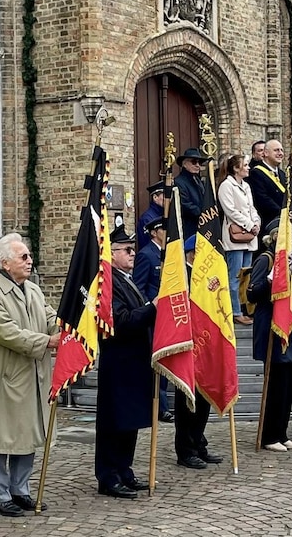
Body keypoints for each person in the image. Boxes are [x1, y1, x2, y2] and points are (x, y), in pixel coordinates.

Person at [0, 233, 59, 517]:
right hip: (5, 377)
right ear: (5, 263)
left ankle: (20, 489)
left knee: (29, 433)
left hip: (32, 375)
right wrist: (48, 342)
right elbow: (7, 332)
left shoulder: (33, 289)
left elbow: (49, 317)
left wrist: (65, 326)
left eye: (29, 256)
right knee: (3, 437)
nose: (29, 261)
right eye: (23, 257)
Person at [95, 225, 156, 499]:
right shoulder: (107, 283)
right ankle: (108, 475)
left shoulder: (126, 278)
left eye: (133, 248)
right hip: (118, 362)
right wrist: (152, 307)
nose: (133, 254)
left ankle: (124, 469)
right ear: (112, 253)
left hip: (136, 360)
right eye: (127, 250)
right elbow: (120, 321)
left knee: (130, 421)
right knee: (114, 421)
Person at [246, 218, 292, 451]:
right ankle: (269, 435)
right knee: (276, 384)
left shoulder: (289, 261)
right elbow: (252, 294)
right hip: (270, 325)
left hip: (287, 326)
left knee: (288, 384)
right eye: (291, 235)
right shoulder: (265, 259)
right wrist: (271, 280)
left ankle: (282, 431)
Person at [174, 233, 223, 469]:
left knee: (203, 400)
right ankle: (185, 449)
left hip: (207, 347)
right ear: (193, 253)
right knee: (187, 403)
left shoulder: (206, 275)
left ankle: (199, 443)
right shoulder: (181, 275)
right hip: (188, 346)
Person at [134, 216, 173, 423]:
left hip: (168, 317)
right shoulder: (146, 255)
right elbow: (139, 288)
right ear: (154, 232)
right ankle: (161, 406)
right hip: (153, 317)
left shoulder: (169, 254)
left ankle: (162, 403)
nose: (166, 232)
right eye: (163, 229)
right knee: (156, 361)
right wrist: (149, 308)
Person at [217, 153, 260, 326]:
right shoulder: (226, 186)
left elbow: (251, 208)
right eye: (246, 165)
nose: (248, 168)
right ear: (236, 168)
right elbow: (231, 211)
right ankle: (234, 311)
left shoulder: (246, 186)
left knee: (246, 276)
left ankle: (245, 307)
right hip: (236, 236)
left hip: (249, 236)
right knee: (234, 276)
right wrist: (250, 225)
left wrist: (257, 222)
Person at [247, 139, 288, 227]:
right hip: (269, 222)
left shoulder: (282, 174)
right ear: (265, 153)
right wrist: (282, 212)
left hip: (285, 221)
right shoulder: (256, 173)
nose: (280, 153)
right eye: (276, 150)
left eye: (281, 150)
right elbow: (262, 199)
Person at [173, 148, 210, 238]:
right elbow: (184, 204)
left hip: (202, 225)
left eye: (199, 163)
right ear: (184, 164)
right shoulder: (179, 182)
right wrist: (202, 213)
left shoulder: (198, 180)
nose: (197, 165)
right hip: (189, 226)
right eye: (194, 162)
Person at [137, 184, 168, 250]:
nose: (168, 199)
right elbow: (147, 244)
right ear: (155, 197)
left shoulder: (166, 214)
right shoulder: (147, 218)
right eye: (165, 196)